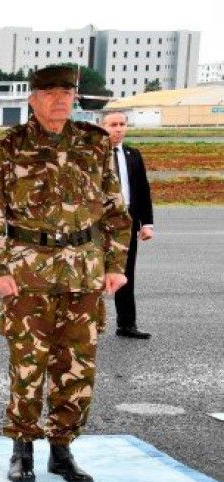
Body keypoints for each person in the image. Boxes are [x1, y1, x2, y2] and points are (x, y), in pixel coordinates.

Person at [0, 65, 132, 482]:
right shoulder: (10, 145)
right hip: (29, 274)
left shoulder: (94, 144)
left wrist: (115, 266)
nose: (60, 99)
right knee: (28, 365)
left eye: (66, 92)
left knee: (77, 367)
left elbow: (116, 212)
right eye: (50, 93)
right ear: (33, 98)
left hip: (84, 273)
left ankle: (62, 450)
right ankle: (21, 448)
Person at [100, 111, 154, 339]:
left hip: (127, 221)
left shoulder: (133, 154)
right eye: (113, 124)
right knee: (93, 273)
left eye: (122, 124)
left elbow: (142, 190)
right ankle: (87, 325)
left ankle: (127, 324)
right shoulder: (92, 155)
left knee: (125, 272)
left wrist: (147, 223)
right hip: (99, 222)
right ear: (103, 127)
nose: (118, 129)